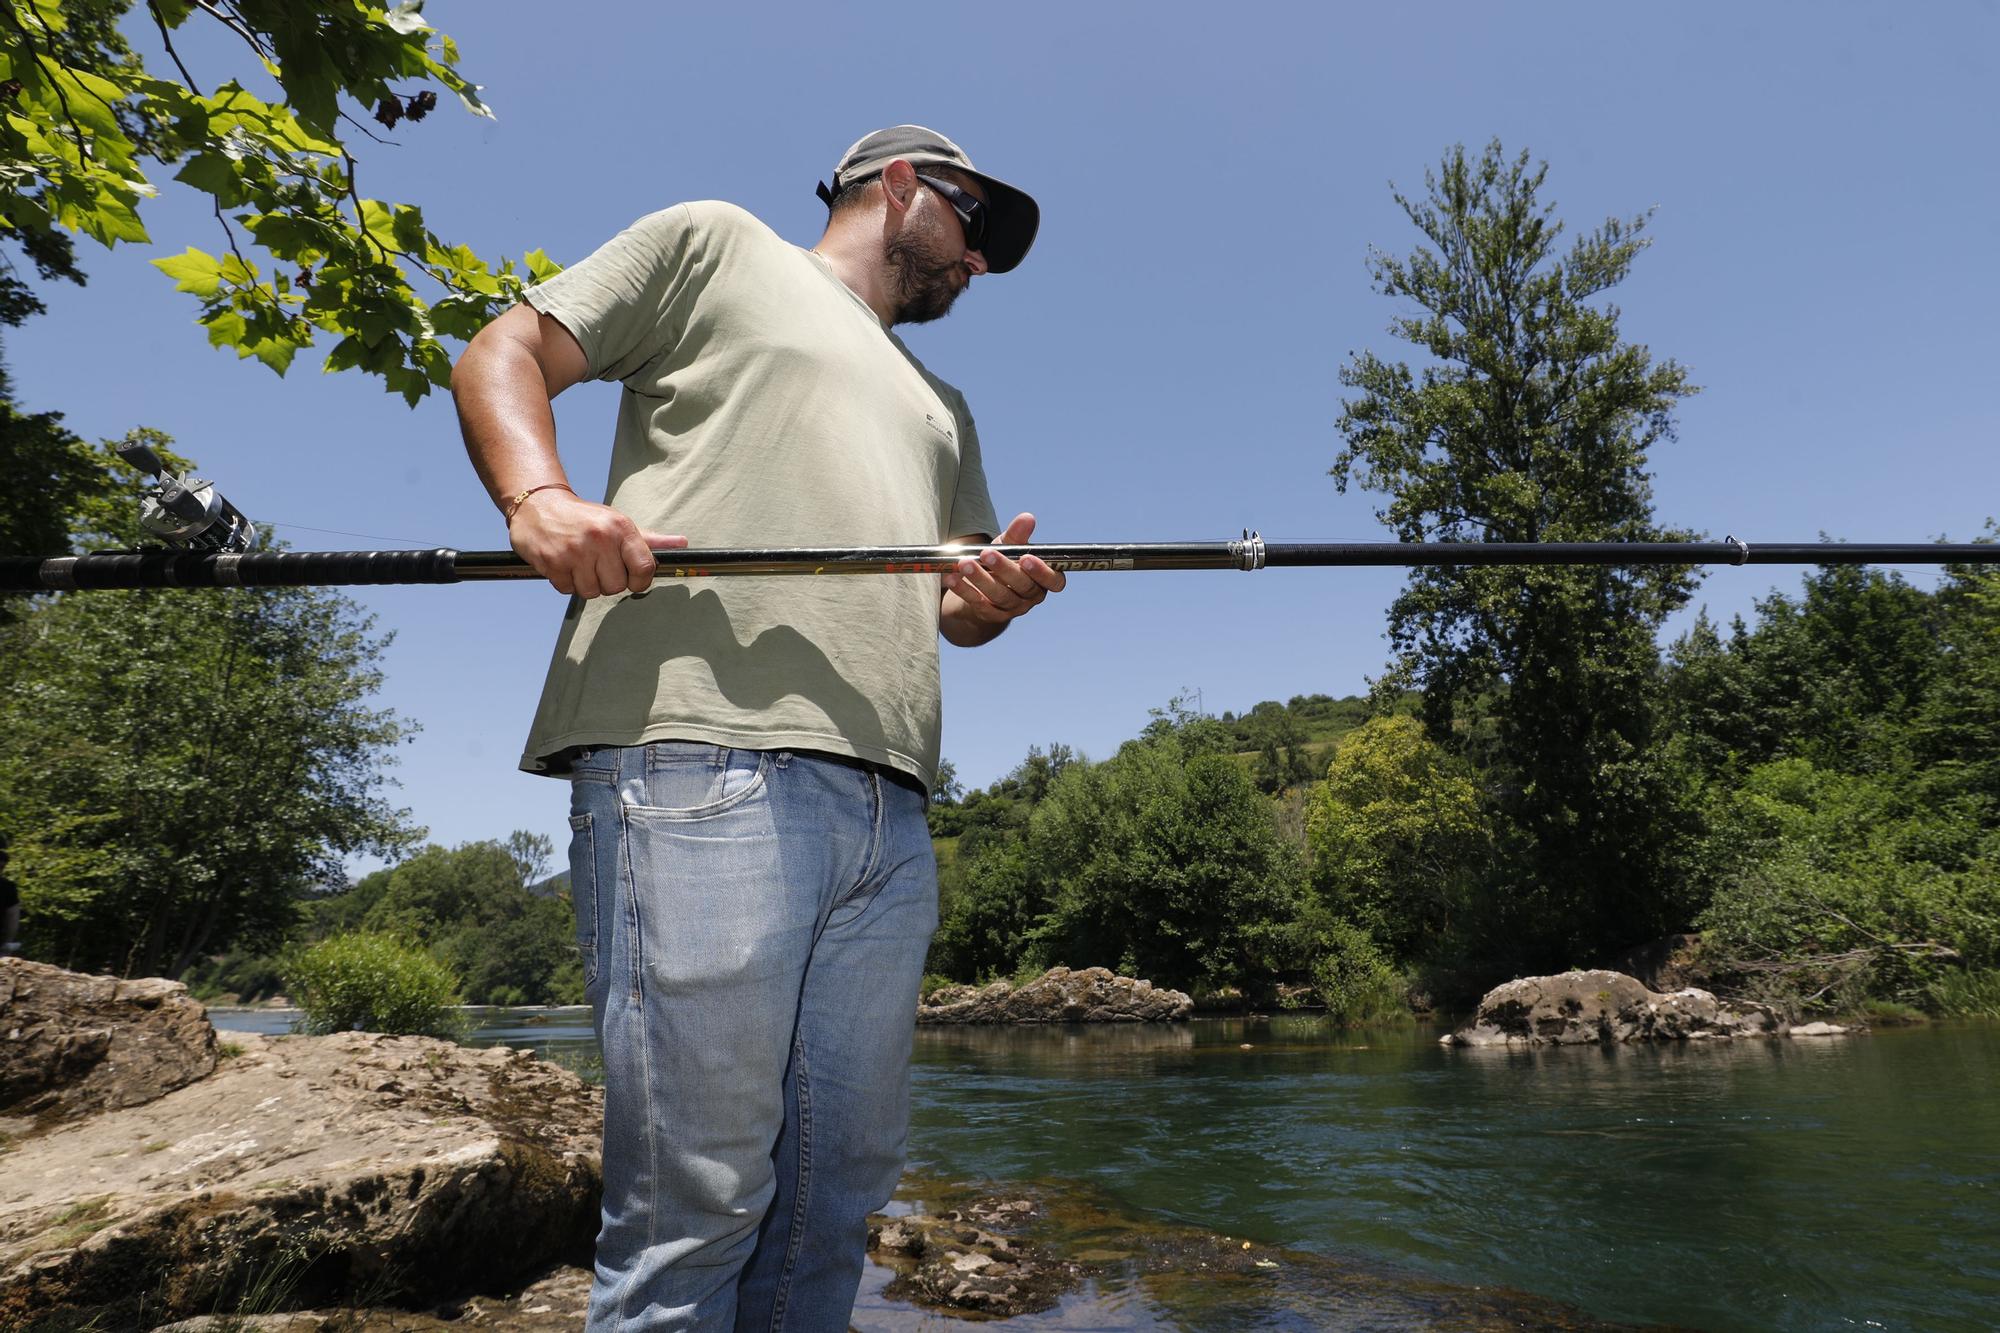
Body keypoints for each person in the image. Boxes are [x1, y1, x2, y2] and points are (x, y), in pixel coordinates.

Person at [452, 126, 1063, 1330]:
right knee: (697, 1205)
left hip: (891, 810)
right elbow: (503, 347)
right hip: (695, 756)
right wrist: (540, 498)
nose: (979, 265)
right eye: (973, 227)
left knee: (832, 1203)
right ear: (898, 185)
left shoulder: (945, 407)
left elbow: (951, 604)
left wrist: (985, 600)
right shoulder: (714, 244)